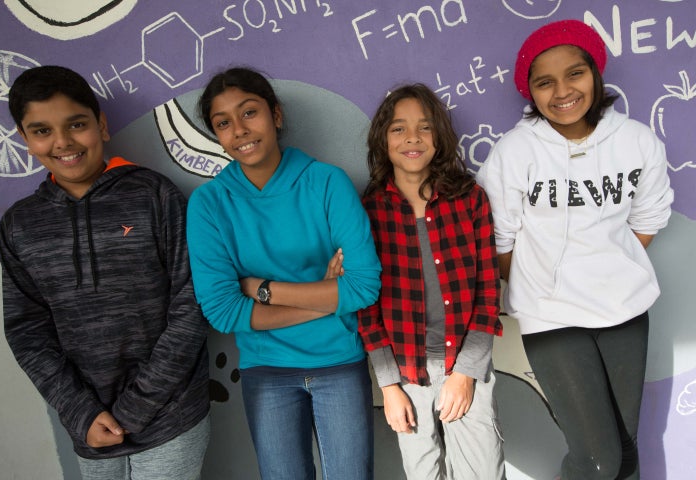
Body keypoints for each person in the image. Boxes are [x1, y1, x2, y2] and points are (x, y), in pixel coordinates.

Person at [476, 20, 674, 480]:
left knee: (624, 452)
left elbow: (648, 217)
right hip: (553, 318)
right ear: (530, 92)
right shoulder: (514, 152)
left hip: (625, 310)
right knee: (598, 458)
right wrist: (543, 279)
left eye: (575, 74)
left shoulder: (637, 140)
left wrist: (611, 261)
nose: (562, 91)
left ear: (596, 75)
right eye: (545, 82)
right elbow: (499, 239)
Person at [0, 65, 211, 480]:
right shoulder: (19, 225)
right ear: (25, 141)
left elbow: (192, 302)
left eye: (76, 125)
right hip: (88, 424)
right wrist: (80, 411)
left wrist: (138, 406)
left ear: (101, 125)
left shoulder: (155, 194)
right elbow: (27, 331)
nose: (62, 142)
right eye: (41, 131)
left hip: (170, 413)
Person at [187, 66, 382, 480]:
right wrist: (327, 298)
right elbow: (223, 313)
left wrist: (264, 290)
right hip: (266, 369)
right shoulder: (209, 204)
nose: (239, 130)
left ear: (275, 115)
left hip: (339, 363)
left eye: (249, 113)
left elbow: (363, 287)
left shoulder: (328, 183)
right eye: (223, 123)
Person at [358, 83, 505, 480]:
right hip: (406, 374)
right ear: (382, 140)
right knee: (422, 473)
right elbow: (366, 305)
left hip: (465, 364)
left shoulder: (469, 198)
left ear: (439, 137)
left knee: (483, 473)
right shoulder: (368, 210)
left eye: (424, 128)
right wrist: (389, 386)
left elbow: (489, 291)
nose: (412, 139)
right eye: (398, 129)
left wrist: (466, 373)